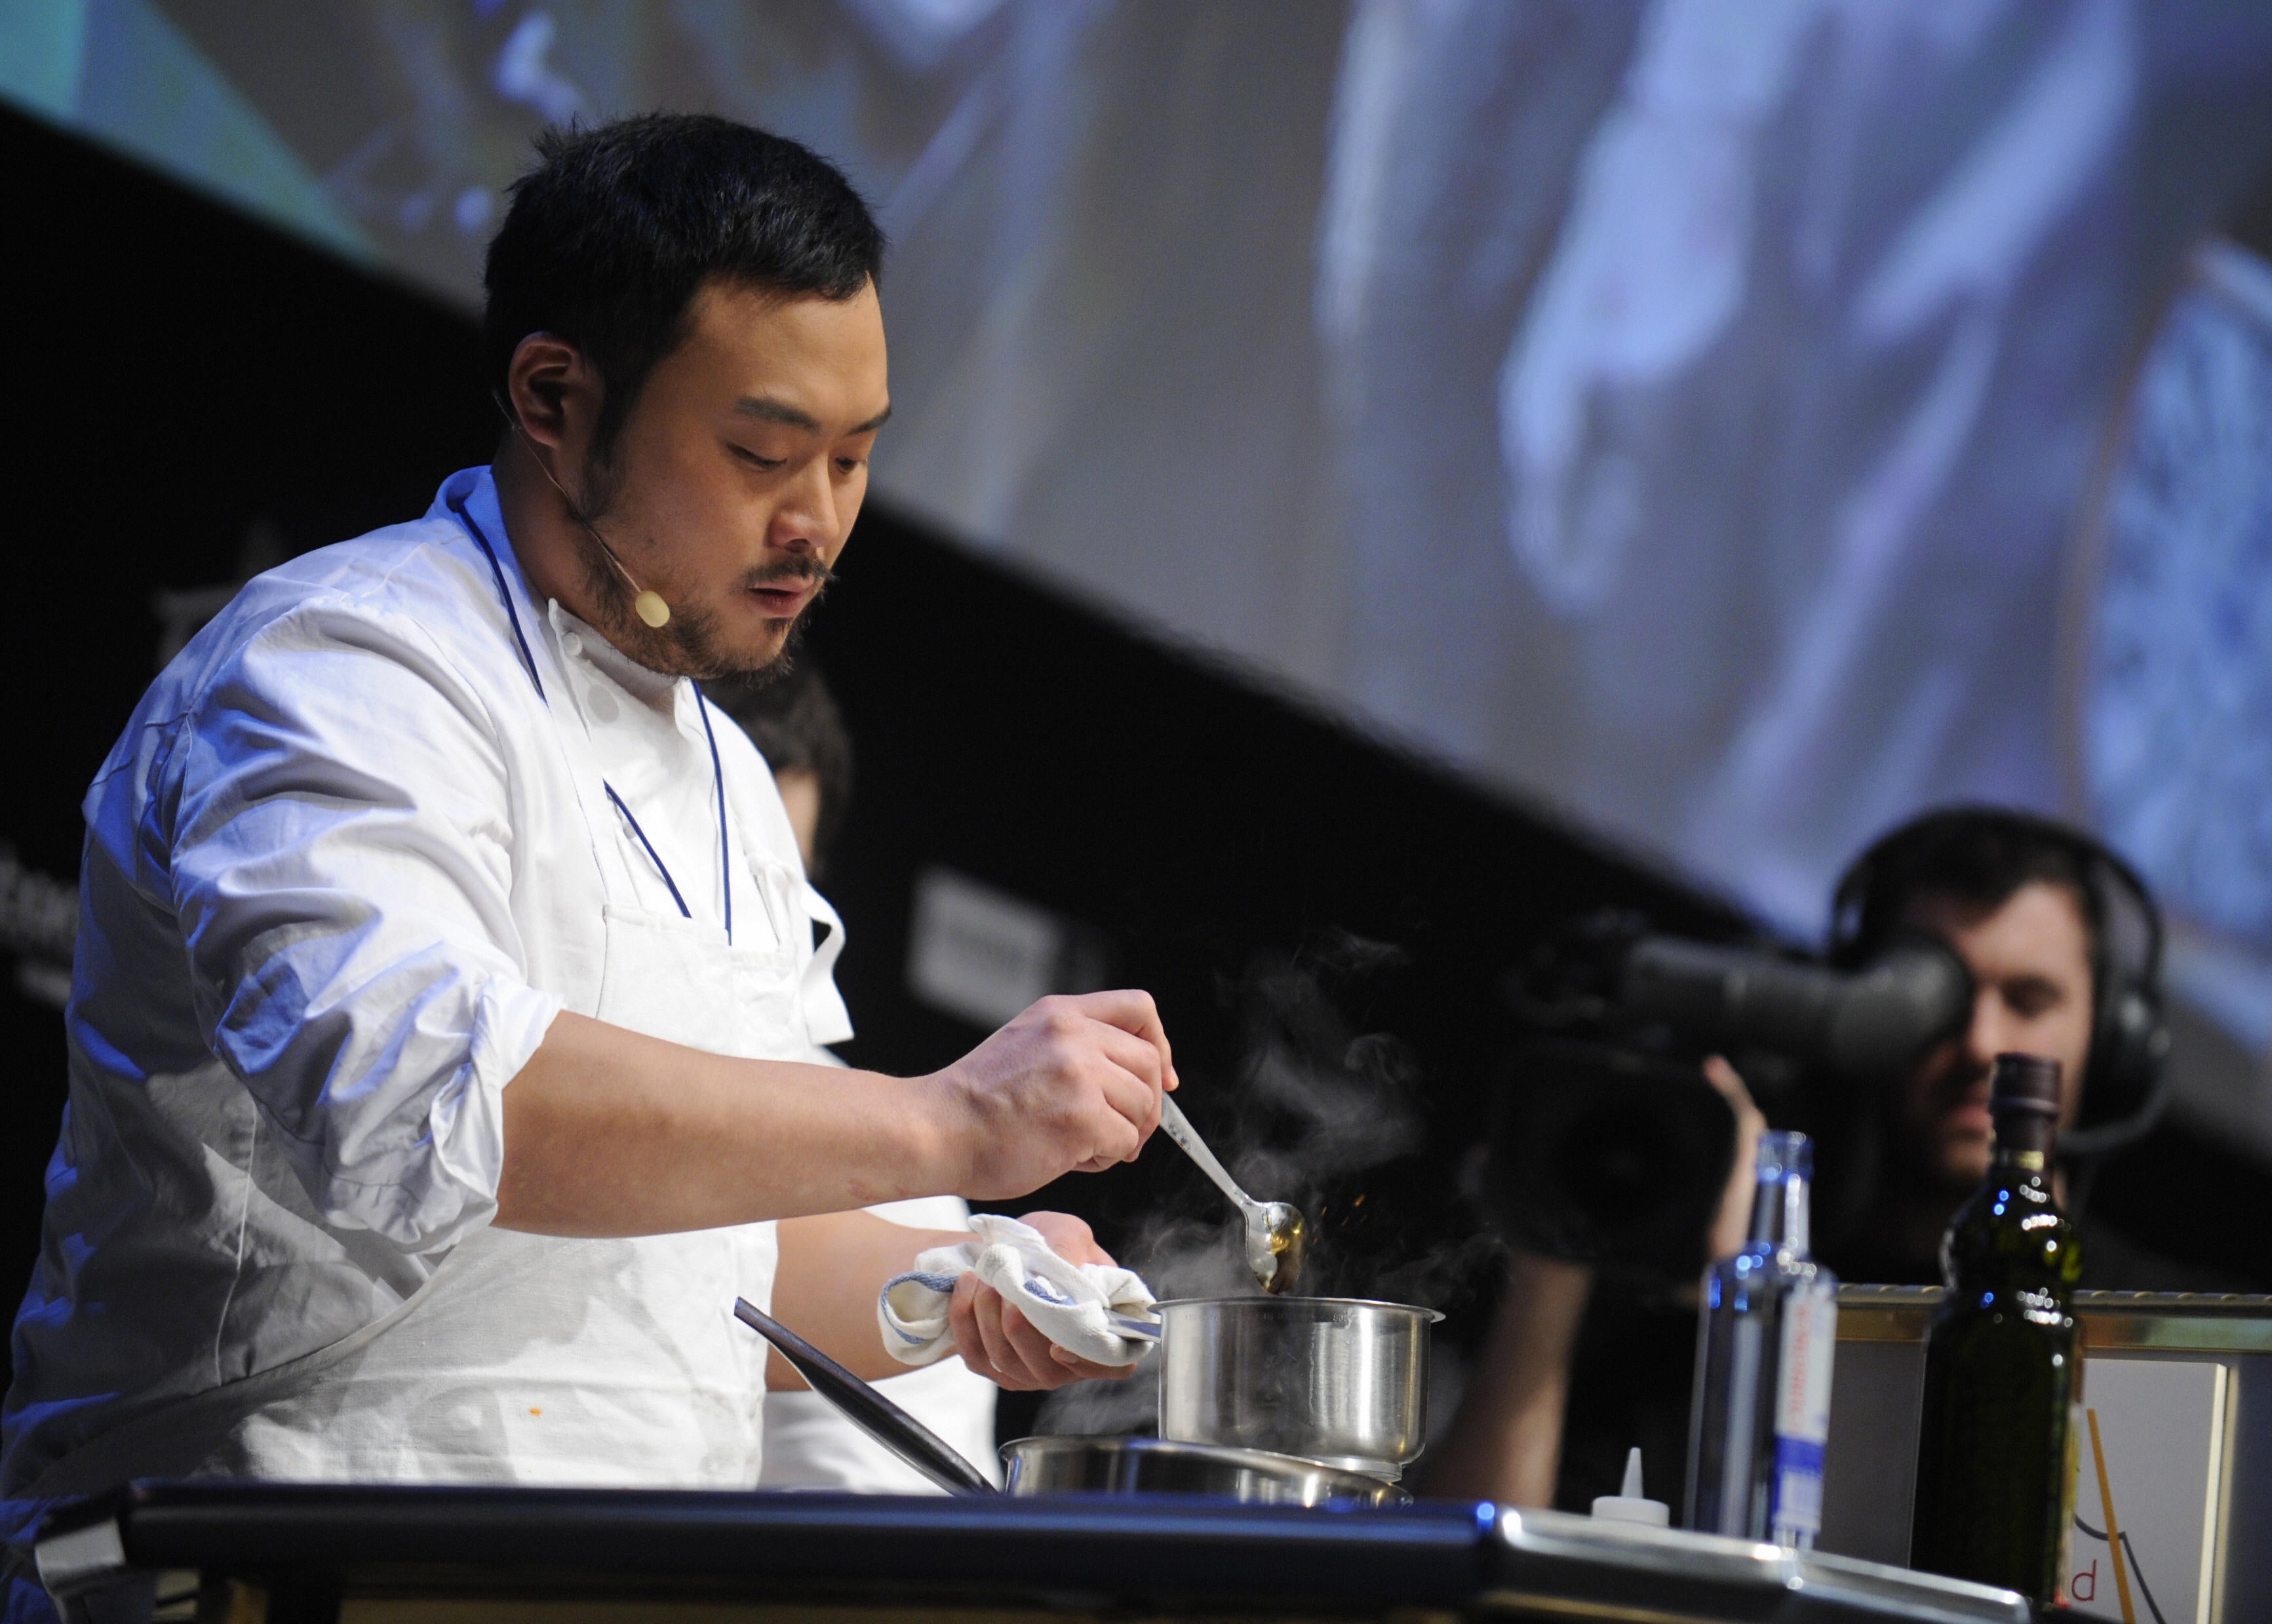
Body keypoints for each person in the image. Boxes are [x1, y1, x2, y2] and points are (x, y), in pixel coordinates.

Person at [1, 114, 1174, 1576]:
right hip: (261, 1563)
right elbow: (426, 1105)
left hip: (590, 1584)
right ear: (553, 397)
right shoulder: (347, 666)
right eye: (762, 453)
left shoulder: (737, 789)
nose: (817, 526)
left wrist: (950, 1283)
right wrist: (950, 1126)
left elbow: (695, 1271)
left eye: (856, 461)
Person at [1428, 805, 2211, 1510]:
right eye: (1929, 997)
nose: (1980, 1043)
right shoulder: (1743, 1321)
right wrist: (1556, 1255)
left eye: (2029, 1000)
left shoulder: (2187, 1347)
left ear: (2111, 1042)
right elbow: (1476, 1578)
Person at [707, 661, 1000, 1490]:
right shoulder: (527, 1058)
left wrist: (1010, 1279)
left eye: (779, 880)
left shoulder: (898, 1163)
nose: (749, 914)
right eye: (718, 865)